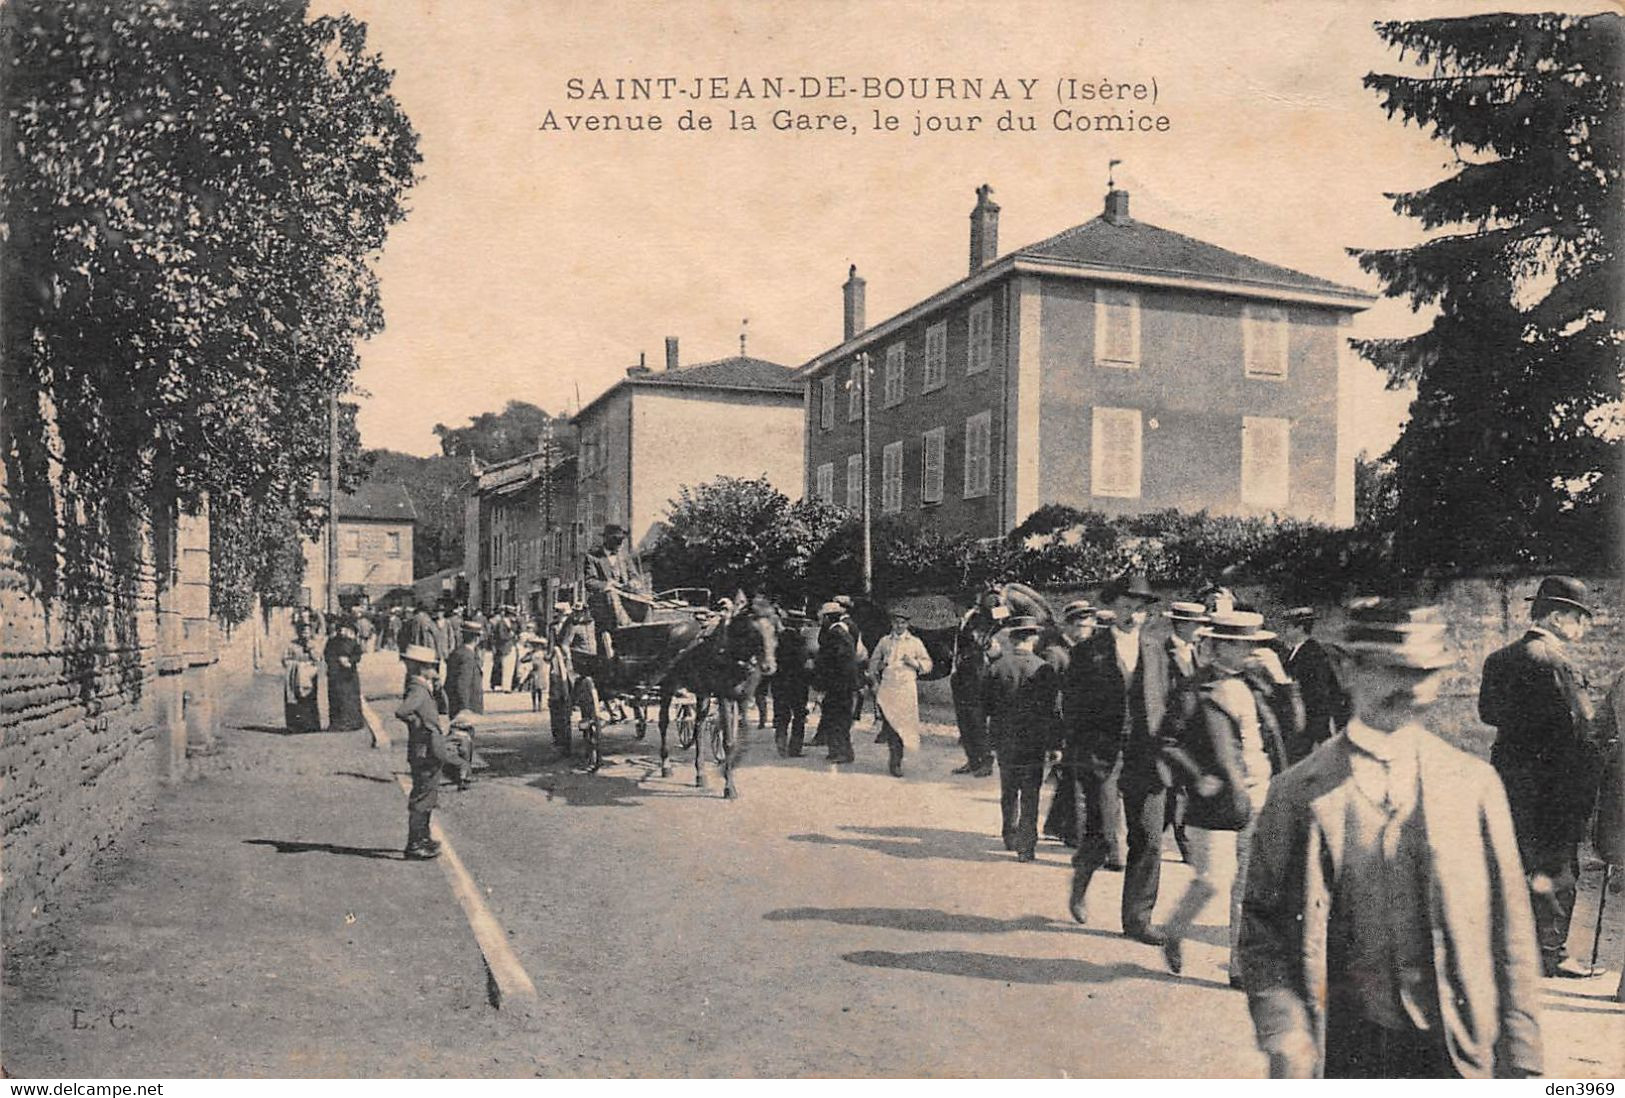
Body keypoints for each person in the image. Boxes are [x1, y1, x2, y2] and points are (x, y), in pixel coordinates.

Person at [1241, 598, 1544, 1079]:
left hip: (1458, 1050)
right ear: (1348, 670)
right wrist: (1286, 1033)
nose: (1408, 687)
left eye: (1424, 672)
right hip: (1346, 1049)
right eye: (1389, 670)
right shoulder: (1296, 794)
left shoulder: (1474, 785)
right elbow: (1262, 934)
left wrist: (1526, 1066)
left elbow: (1512, 935)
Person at [1478, 575, 1601, 979]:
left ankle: (1508, 951)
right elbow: (1583, 726)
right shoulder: (1558, 662)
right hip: (1554, 785)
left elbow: (1488, 714)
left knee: (1512, 863)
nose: (1583, 628)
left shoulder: (1499, 659)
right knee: (1556, 868)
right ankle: (1551, 953)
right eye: (1579, 618)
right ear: (1557, 617)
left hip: (1509, 781)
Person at [1157, 610, 1279, 983]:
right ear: (1220, 646)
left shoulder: (1257, 684)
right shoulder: (1194, 688)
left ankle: (1240, 967)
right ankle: (1175, 930)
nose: (1249, 653)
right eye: (1242, 646)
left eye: (1252, 646)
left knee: (1247, 886)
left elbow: (1294, 727)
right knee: (1213, 879)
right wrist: (1198, 777)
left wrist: (1283, 680)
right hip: (1215, 804)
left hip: (1258, 794)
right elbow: (1167, 741)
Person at [1062, 572, 1171, 943]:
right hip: (1102, 752)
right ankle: (1080, 881)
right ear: (1112, 607)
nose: (1132, 615)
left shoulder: (1158, 652)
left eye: (1140, 609)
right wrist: (1076, 751)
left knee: (1149, 837)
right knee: (1104, 836)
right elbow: (1072, 707)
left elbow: (1167, 702)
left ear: (1148, 614)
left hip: (1146, 753)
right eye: (1126, 606)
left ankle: (1138, 919)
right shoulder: (1087, 651)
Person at [984, 617, 1061, 861]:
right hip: (1034, 742)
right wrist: (1054, 744)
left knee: (1009, 790)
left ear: (1012, 639)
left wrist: (991, 740)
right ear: (1033, 638)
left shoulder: (997, 667)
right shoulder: (1044, 668)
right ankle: (1026, 846)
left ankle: (1009, 834)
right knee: (1030, 793)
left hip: (1006, 740)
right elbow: (1053, 711)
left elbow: (985, 706)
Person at [1042, 599, 1098, 847]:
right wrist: (1055, 738)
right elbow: (1051, 699)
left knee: (1070, 777)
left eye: (1089, 624)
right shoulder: (1056, 653)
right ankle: (1074, 833)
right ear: (1069, 626)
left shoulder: (1087, 651)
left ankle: (1056, 825)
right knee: (1074, 778)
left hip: (1083, 727)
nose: (1085, 629)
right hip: (1065, 727)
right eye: (1081, 625)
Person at [868, 610, 934, 778]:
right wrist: (879, 667)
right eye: (896, 622)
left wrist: (914, 663)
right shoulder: (885, 641)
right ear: (892, 623)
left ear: (907, 624)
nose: (899, 626)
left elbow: (928, 664)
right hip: (889, 687)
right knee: (890, 724)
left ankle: (897, 762)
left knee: (902, 725)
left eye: (902, 623)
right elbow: (873, 662)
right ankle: (893, 759)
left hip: (906, 688)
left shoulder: (915, 642)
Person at [1278, 606, 1348, 761]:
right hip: (1305, 718)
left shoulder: (1312, 653)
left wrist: (1316, 727)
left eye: (1288, 626)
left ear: (1300, 628)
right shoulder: (1296, 652)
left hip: (1311, 719)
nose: (1284, 630)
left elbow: (1319, 691)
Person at [949, 587, 1006, 776]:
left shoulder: (981, 619)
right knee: (964, 719)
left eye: (955, 604)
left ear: (964, 605)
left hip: (976, 677)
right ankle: (972, 760)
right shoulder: (963, 622)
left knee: (977, 719)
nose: (953, 608)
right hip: (961, 677)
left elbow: (1001, 619)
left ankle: (986, 760)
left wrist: (996, 596)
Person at [584, 524, 651, 656]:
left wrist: (634, 583)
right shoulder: (593, 557)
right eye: (616, 541)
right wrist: (607, 585)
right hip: (604, 606)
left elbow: (634, 575)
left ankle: (643, 630)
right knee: (610, 595)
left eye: (621, 541)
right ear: (606, 540)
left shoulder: (624, 556)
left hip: (626, 601)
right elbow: (589, 582)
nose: (619, 545)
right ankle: (624, 627)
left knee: (646, 600)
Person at [813, 601, 862, 764]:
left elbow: (839, 661)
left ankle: (843, 752)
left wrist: (824, 680)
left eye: (823, 617)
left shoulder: (836, 634)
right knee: (836, 716)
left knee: (838, 717)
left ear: (828, 617)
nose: (821, 621)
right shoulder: (838, 632)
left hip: (839, 684)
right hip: (841, 684)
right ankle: (838, 750)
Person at [773, 609, 814, 757]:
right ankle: (795, 748)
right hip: (798, 682)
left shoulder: (778, 639)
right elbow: (805, 662)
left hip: (780, 681)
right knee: (799, 715)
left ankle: (780, 740)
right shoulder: (801, 640)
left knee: (782, 713)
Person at [323, 617, 365, 732]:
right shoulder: (332, 641)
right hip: (335, 674)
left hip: (349, 675)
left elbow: (358, 655)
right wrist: (335, 662)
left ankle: (353, 722)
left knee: (350, 699)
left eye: (344, 629)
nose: (342, 632)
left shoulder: (352, 642)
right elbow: (327, 654)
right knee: (336, 698)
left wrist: (350, 661)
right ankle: (337, 723)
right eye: (340, 629)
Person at [283, 619, 323, 733]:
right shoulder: (292, 645)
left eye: (307, 632)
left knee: (309, 699)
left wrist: (311, 649)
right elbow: (285, 659)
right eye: (303, 632)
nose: (305, 635)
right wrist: (294, 665)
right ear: (298, 632)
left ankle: (311, 725)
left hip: (310, 675)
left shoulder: (314, 644)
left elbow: (318, 659)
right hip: (295, 676)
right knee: (295, 699)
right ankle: (295, 726)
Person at [445, 620, 486, 719]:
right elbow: (463, 683)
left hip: (457, 704)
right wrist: (464, 707)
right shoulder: (467, 656)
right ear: (477, 638)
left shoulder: (459, 652)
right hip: (466, 707)